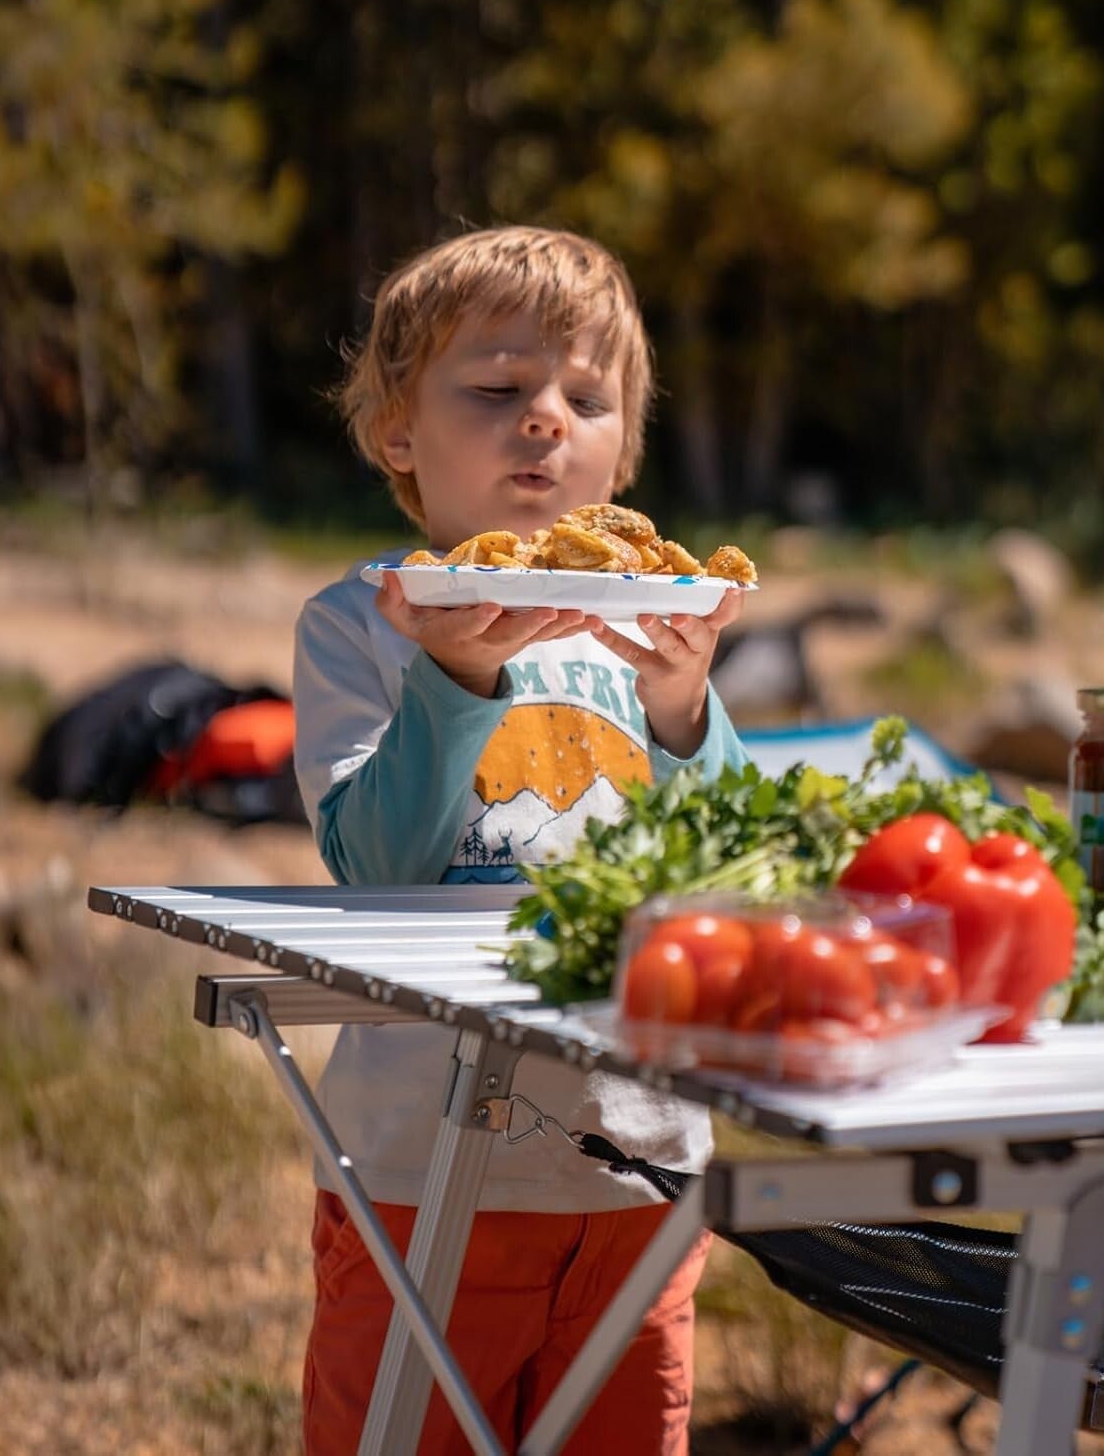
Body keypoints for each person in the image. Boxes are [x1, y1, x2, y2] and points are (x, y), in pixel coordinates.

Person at [292, 225, 750, 1455]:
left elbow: (731, 873)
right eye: (497, 390)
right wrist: (452, 679)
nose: (545, 418)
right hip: (420, 1167)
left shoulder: (648, 633)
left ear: (624, 447)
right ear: (399, 431)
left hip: (643, 1161)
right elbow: (379, 867)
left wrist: (684, 712)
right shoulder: (363, 627)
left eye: (586, 399)